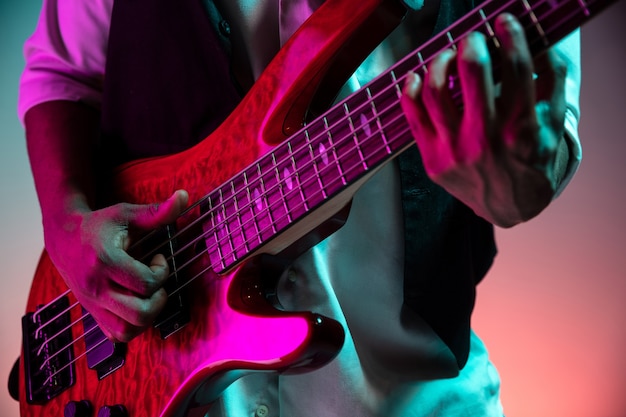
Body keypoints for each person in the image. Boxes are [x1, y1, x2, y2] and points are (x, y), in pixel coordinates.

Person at [17, 0, 581, 416]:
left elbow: (540, 148)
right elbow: (63, 74)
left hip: (409, 396)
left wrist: (518, 182)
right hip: (172, 387)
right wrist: (66, 223)